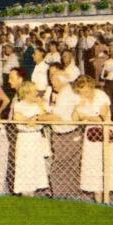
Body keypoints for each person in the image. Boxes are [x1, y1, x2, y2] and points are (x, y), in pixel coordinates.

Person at [38, 64, 82, 197]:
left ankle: (59, 196)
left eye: (54, 81)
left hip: (66, 136)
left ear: (61, 81)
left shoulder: (65, 94)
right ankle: (71, 195)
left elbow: (56, 117)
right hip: (68, 134)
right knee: (70, 167)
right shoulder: (65, 92)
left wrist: (38, 118)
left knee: (59, 167)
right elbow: (57, 112)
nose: (53, 84)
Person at [73, 75, 113, 203]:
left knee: (106, 165)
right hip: (90, 135)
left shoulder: (101, 95)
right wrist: (77, 108)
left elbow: (102, 118)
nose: (84, 93)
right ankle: (98, 202)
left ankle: (107, 201)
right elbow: (75, 119)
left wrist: (85, 117)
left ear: (91, 86)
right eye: (81, 91)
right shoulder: (80, 99)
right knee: (93, 167)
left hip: (106, 133)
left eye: (85, 90)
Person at [12, 81, 50, 196]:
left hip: (36, 138)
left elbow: (47, 117)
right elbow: (19, 118)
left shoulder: (38, 105)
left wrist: (40, 110)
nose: (37, 93)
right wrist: (32, 119)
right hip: (25, 139)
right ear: (27, 93)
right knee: (25, 169)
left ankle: (32, 196)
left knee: (35, 169)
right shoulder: (19, 104)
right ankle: (25, 196)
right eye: (34, 91)